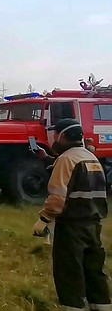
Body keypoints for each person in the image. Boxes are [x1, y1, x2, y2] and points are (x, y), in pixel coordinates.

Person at [32, 118, 110, 311]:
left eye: (56, 134)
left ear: (63, 135)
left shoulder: (66, 159)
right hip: (93, 223)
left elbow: (58, 196)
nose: (54, 138)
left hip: (72, 226)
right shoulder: (91, 158)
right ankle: (102, 305)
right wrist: (47, 159)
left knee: (69, 270)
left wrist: (44, 219)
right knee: (94, 270)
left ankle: (74, 307)